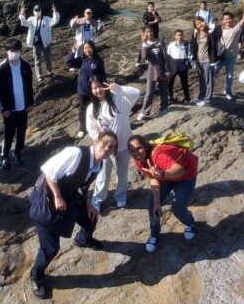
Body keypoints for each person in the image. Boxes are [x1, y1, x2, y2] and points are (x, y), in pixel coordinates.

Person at [28, 132, 118, 299]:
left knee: (91, 217)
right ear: (96, 140)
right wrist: (57, 196)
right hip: (47, 196)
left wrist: (88, 202)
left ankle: (83, 239)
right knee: (51, 248)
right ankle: (36, 275)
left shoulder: (98, 164)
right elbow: (48, 171)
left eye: (111, 147)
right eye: (105, 143)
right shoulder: (76, 153)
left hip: (68, 194)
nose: (107, 149)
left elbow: (84, 185)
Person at [128, 134, 198, 253]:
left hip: (185, 174)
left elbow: (181, 170)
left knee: (178, 208)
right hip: (164, 174)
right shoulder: (139, 160)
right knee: (152, 206)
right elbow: (153, 179)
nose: (136, 153)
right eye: (132, 151)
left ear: (145, 146)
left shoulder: (158, 156)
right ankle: (154, 234)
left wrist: (163, 175)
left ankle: (189, 223)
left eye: (139, 148)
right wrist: (156, 203)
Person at [85, 78, 140, 209]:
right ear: (91, 90)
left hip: (123, 145)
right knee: (103, 175)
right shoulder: (92, 108)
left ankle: (120, 196)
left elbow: (136, 92)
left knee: (122, 173)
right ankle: (98, 199)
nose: (98, 90)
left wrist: (118, 89)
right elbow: (91, 128)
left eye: (100, 86)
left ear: (105, 85)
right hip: (105, 149)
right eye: (94, 88)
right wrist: (96, 137)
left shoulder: (120, 99)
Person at [0, 38, 35, 169]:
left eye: (17, 50)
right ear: (6, 51)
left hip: (23, 106)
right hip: (9, 109)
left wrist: (30, 103)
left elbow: (29, 86)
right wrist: (3, 108)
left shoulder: (26, 66)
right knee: (9, 133)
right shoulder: (1, 68)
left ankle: (17, 151)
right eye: (11, 51)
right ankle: (4, 155)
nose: (14, 53)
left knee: (22, 131)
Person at [65, 40, 106, 138]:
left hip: (95, 90)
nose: (88, 50)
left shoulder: (98, 60)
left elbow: (103, 76)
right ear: (83, 50)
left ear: (93, 48)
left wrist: (104, 88)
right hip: (83, 89)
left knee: (96, 108)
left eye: (90, 48)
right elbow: (70, 63)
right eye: (85, 48)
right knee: (83, 109)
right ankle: (82, 128)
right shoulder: (81, 59)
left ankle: (96, 126)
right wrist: (72, 53)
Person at [19, 3, 60, 83]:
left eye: (38, 10)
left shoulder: (46, 19)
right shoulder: (31, 19)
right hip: (35, 44)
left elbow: (55, 21)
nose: (37, 12)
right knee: (37, 60)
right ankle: (39, 75)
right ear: (33, 11)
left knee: (48, 58)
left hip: (45, 43)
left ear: (41, 11)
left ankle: (50, 72)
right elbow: (23, 23)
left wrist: (55, 11)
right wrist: (22, 13)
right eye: (36, 10)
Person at [217, 5, 244, 100]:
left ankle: (227, 91)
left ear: (232, 20)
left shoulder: (236, 30)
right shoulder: (219, 30)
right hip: (220, 57)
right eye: (226, 19)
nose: (228, 21)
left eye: (229, 19)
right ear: (223, 20)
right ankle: (209, 91)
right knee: (213, 75)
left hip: (231, 57)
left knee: (230, 76)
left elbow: (243, 20)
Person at [136, 27, 169, 121]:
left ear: (153, 32)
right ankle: (144, 112)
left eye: (151, 31)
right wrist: (144, 43)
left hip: (162, 70)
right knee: (149, 93)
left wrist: (167, 70)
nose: (149, 33)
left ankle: (164, 108)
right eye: (147, 32)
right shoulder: (146, 44)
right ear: (145, 34)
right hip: (151, 72)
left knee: (164, 92)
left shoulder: (160, 42)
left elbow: (165, 56)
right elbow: (144, 57)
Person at [191, 15, 223, 107]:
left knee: (209, 80)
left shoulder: (211, 33)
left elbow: (220, 31)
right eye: (197, 24)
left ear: (204, 21)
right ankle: (201, 96)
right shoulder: (195, 34)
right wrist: (193, 59)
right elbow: (193, 46)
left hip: (208, 61)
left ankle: (207, 100)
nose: (199, 25)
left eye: (201, 22)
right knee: (201, 80)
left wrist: (208, 25)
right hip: (199, 61)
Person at [166, 29, 192, 103]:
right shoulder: (171, 45)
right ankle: (169, 97)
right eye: (178, 35)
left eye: (181, 35)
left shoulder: (187, 44)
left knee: (184, 83)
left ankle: (187, 98)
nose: (180, 36)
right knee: (170, 82)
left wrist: (188, 63)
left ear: (183, 36)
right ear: (175, 36)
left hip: (183, 65)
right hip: (173, 65)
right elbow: (168, 56)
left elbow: (190, 54)